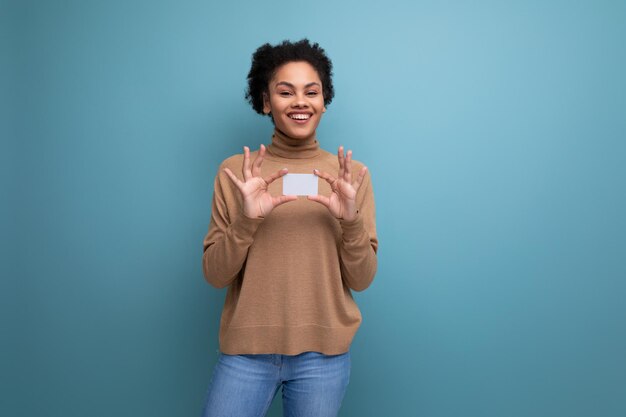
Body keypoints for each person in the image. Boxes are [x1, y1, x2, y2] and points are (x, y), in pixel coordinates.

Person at [200, 39, 378, 417]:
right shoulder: (235, 172)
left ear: (323, 101)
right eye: (286, 92)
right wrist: (247, 220)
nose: (300, 101)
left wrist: (351, 222)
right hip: (246, 354)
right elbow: (215, 275)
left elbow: (362, 279)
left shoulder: (353, 176)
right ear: (266, 102)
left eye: (311, 92)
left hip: (323, 357)